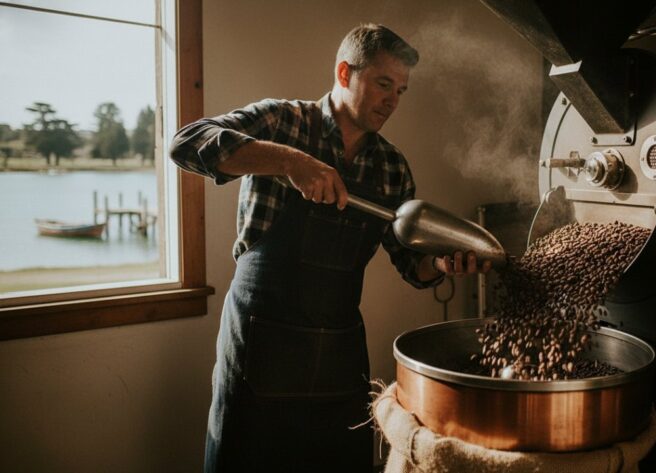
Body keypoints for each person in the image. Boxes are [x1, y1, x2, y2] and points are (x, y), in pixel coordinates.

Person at [170, 24, 491, 472]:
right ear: (345, 72)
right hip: (262, 346)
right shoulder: (283, 122)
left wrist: (440, 262)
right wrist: (291, 161)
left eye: (401, 90)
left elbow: (410, 264)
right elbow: (186, 143)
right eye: (383, 84)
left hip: (339, 357)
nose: (392, 101)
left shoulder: (392, 168)